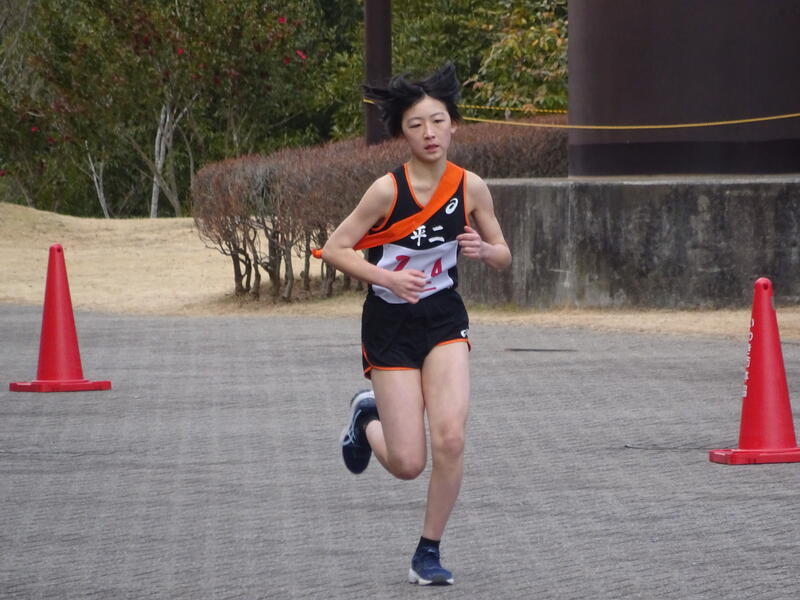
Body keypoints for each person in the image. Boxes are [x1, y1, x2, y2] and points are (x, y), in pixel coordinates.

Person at [321, 62, 511, 586]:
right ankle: (366, 418)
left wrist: (484, 249)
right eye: (416, 124)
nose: (429, 132)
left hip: (444, 317)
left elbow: (503, 252)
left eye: (438, 121)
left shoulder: (470, 187)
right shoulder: (386, 191)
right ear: (402, 134)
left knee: (450, 439)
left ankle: (428, 551)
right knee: (407, 463)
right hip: (389, 323)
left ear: (453, 125)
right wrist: (388, 277)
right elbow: (335, 249)